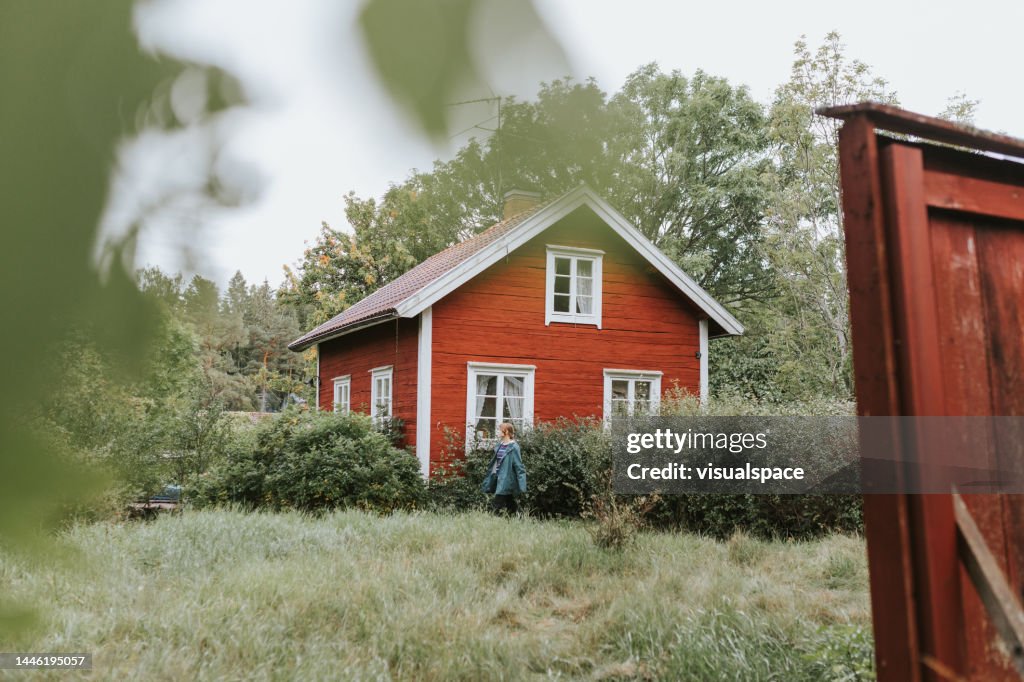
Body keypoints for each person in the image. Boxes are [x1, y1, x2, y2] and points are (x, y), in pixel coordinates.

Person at [480, 422, 527, 515]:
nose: (497, 432)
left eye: (499, 430)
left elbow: (519, 466)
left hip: (506, 479)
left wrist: (522, 485)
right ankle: (517, 518)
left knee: (497, 503)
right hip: (497, 477)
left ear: (506, 432)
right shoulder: (499, 445)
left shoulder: (514, 447)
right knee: (510, 502)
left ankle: (493, 521)